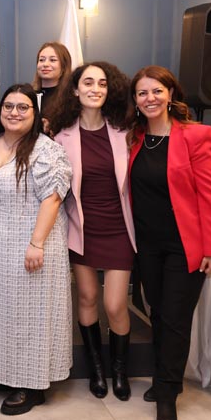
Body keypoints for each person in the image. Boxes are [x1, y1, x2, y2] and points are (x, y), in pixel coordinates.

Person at [127, 65, 211, 420]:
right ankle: (163, 379)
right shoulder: (135, 138)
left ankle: (168, 393)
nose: (150, 98)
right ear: (135, 100)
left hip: (185, 245)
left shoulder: (196, 135)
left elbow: (210, 193)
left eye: (157, 91)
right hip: (147, 245)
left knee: (175, 319)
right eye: (142, 93)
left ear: (171, 94)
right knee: (157, 314)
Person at [0, 83, 72, 415]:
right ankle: (7, 374)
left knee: (31, 318)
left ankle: (32, 385)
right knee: (0, 316)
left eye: (23, 107)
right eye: (9, 106)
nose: (14, 112)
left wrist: (36, 243)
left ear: (35, 112)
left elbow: (53, 197)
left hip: (32, 248)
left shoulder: (47, 149)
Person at [49, 62, 136, 401]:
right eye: (88, 82)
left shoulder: (124, 131)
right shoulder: (60, 137)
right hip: (81, 228)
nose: (95, 89)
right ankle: (97, 370)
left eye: (101, 83)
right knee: (86, 298)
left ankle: (120, 370)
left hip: (119, 229)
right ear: (75, 90)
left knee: (115, 305)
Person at [32, 42, 72, 122]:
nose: (45, 64)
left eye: (52, 60)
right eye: (41, 60)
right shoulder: (29, 95)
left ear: (64, 66)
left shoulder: (70, 99)